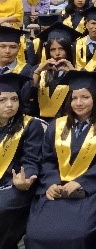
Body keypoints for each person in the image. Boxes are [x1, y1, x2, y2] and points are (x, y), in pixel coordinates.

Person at [25, 71, 96, 249]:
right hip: (57, 188)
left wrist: (82, 182)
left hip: (91, 189)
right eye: (74, 98)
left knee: (78, 234)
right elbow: (47, 160)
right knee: (35, 235)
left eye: (85, 97)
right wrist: (51, 183)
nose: (79, 103)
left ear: (95, 98)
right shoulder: (56, 125)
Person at [0, 73, 44, 249]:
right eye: (2, 100)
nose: (10, 105)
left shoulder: (30, 125)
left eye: (14, 99)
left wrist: (26, 179)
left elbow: (31, 160)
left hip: (14, 184)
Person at [31, 22, 80, 120]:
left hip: (67, 121)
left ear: (68, 50)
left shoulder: (78, 71)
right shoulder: (39, 70)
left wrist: (73, 74)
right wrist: (38, 72)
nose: (57, 53)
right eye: (52, 50)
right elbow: (27, 97)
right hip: (39, 120)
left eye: (61, 49)